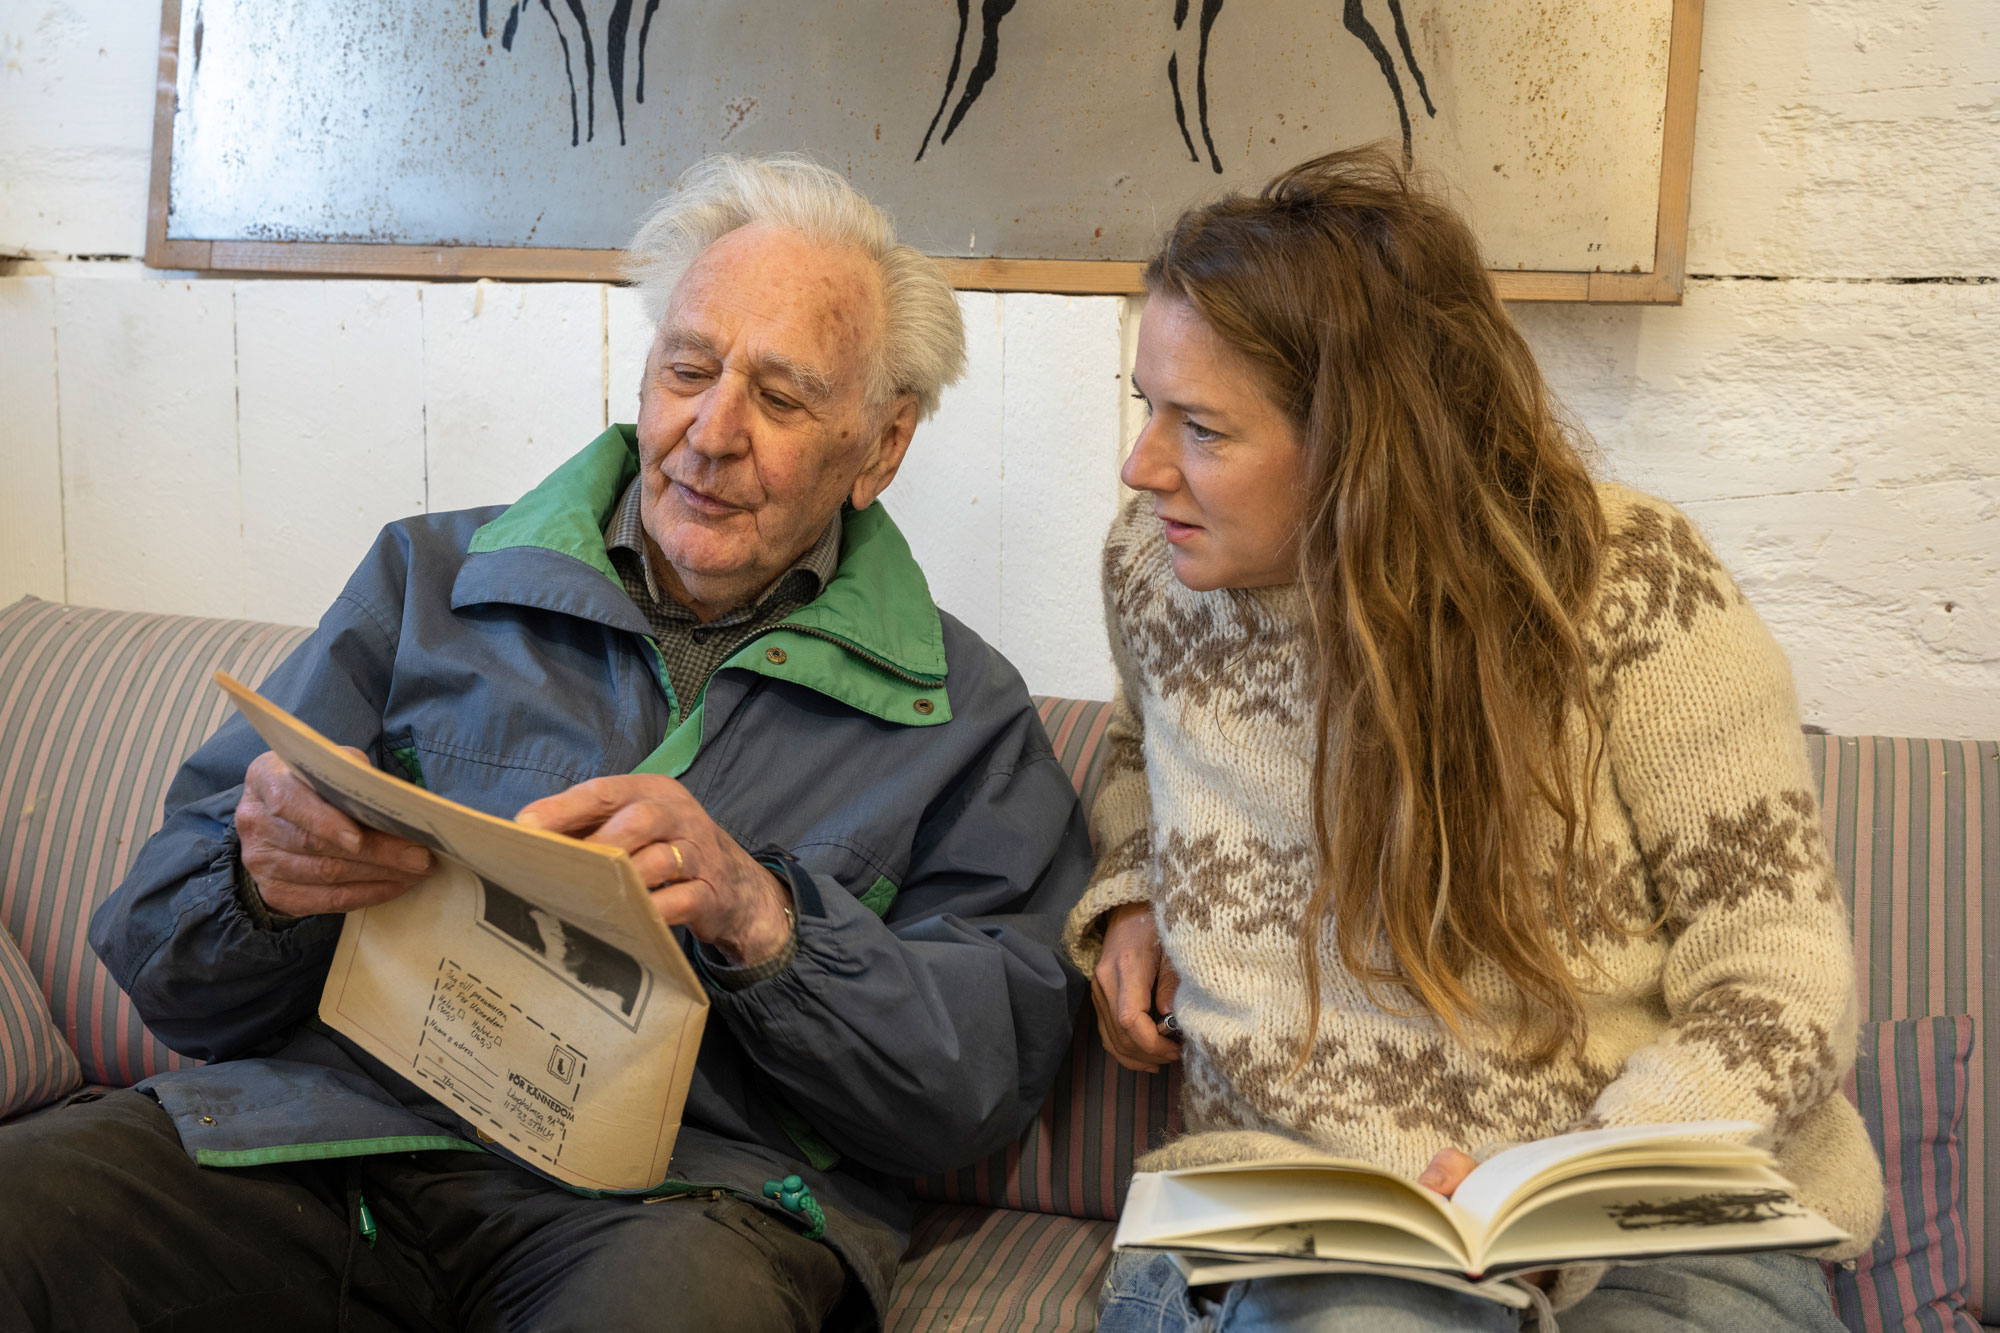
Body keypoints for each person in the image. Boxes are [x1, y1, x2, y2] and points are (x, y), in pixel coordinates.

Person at [0, 155, 1090, 1333]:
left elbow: (973, 1086)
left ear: (880, 446)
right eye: (688, 369)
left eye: (780, 399)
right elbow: (158, 959)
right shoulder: (427, 581)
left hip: (678, 1206)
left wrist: (763, 919)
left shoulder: (962, 712)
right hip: (322, 1142)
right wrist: (258, 883)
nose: (710, 432)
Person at [1066, 147, 1882, 1332]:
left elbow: (1779, 973)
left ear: (1362, 445)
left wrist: (1571, 1192)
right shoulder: (1151, 569)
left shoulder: (1633, 591)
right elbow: (1143, 751)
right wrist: (1136, 885)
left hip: (1656, 1209)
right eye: (1149, 404)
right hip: (1310, 1210)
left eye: (1198, 427)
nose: (1140, 466)